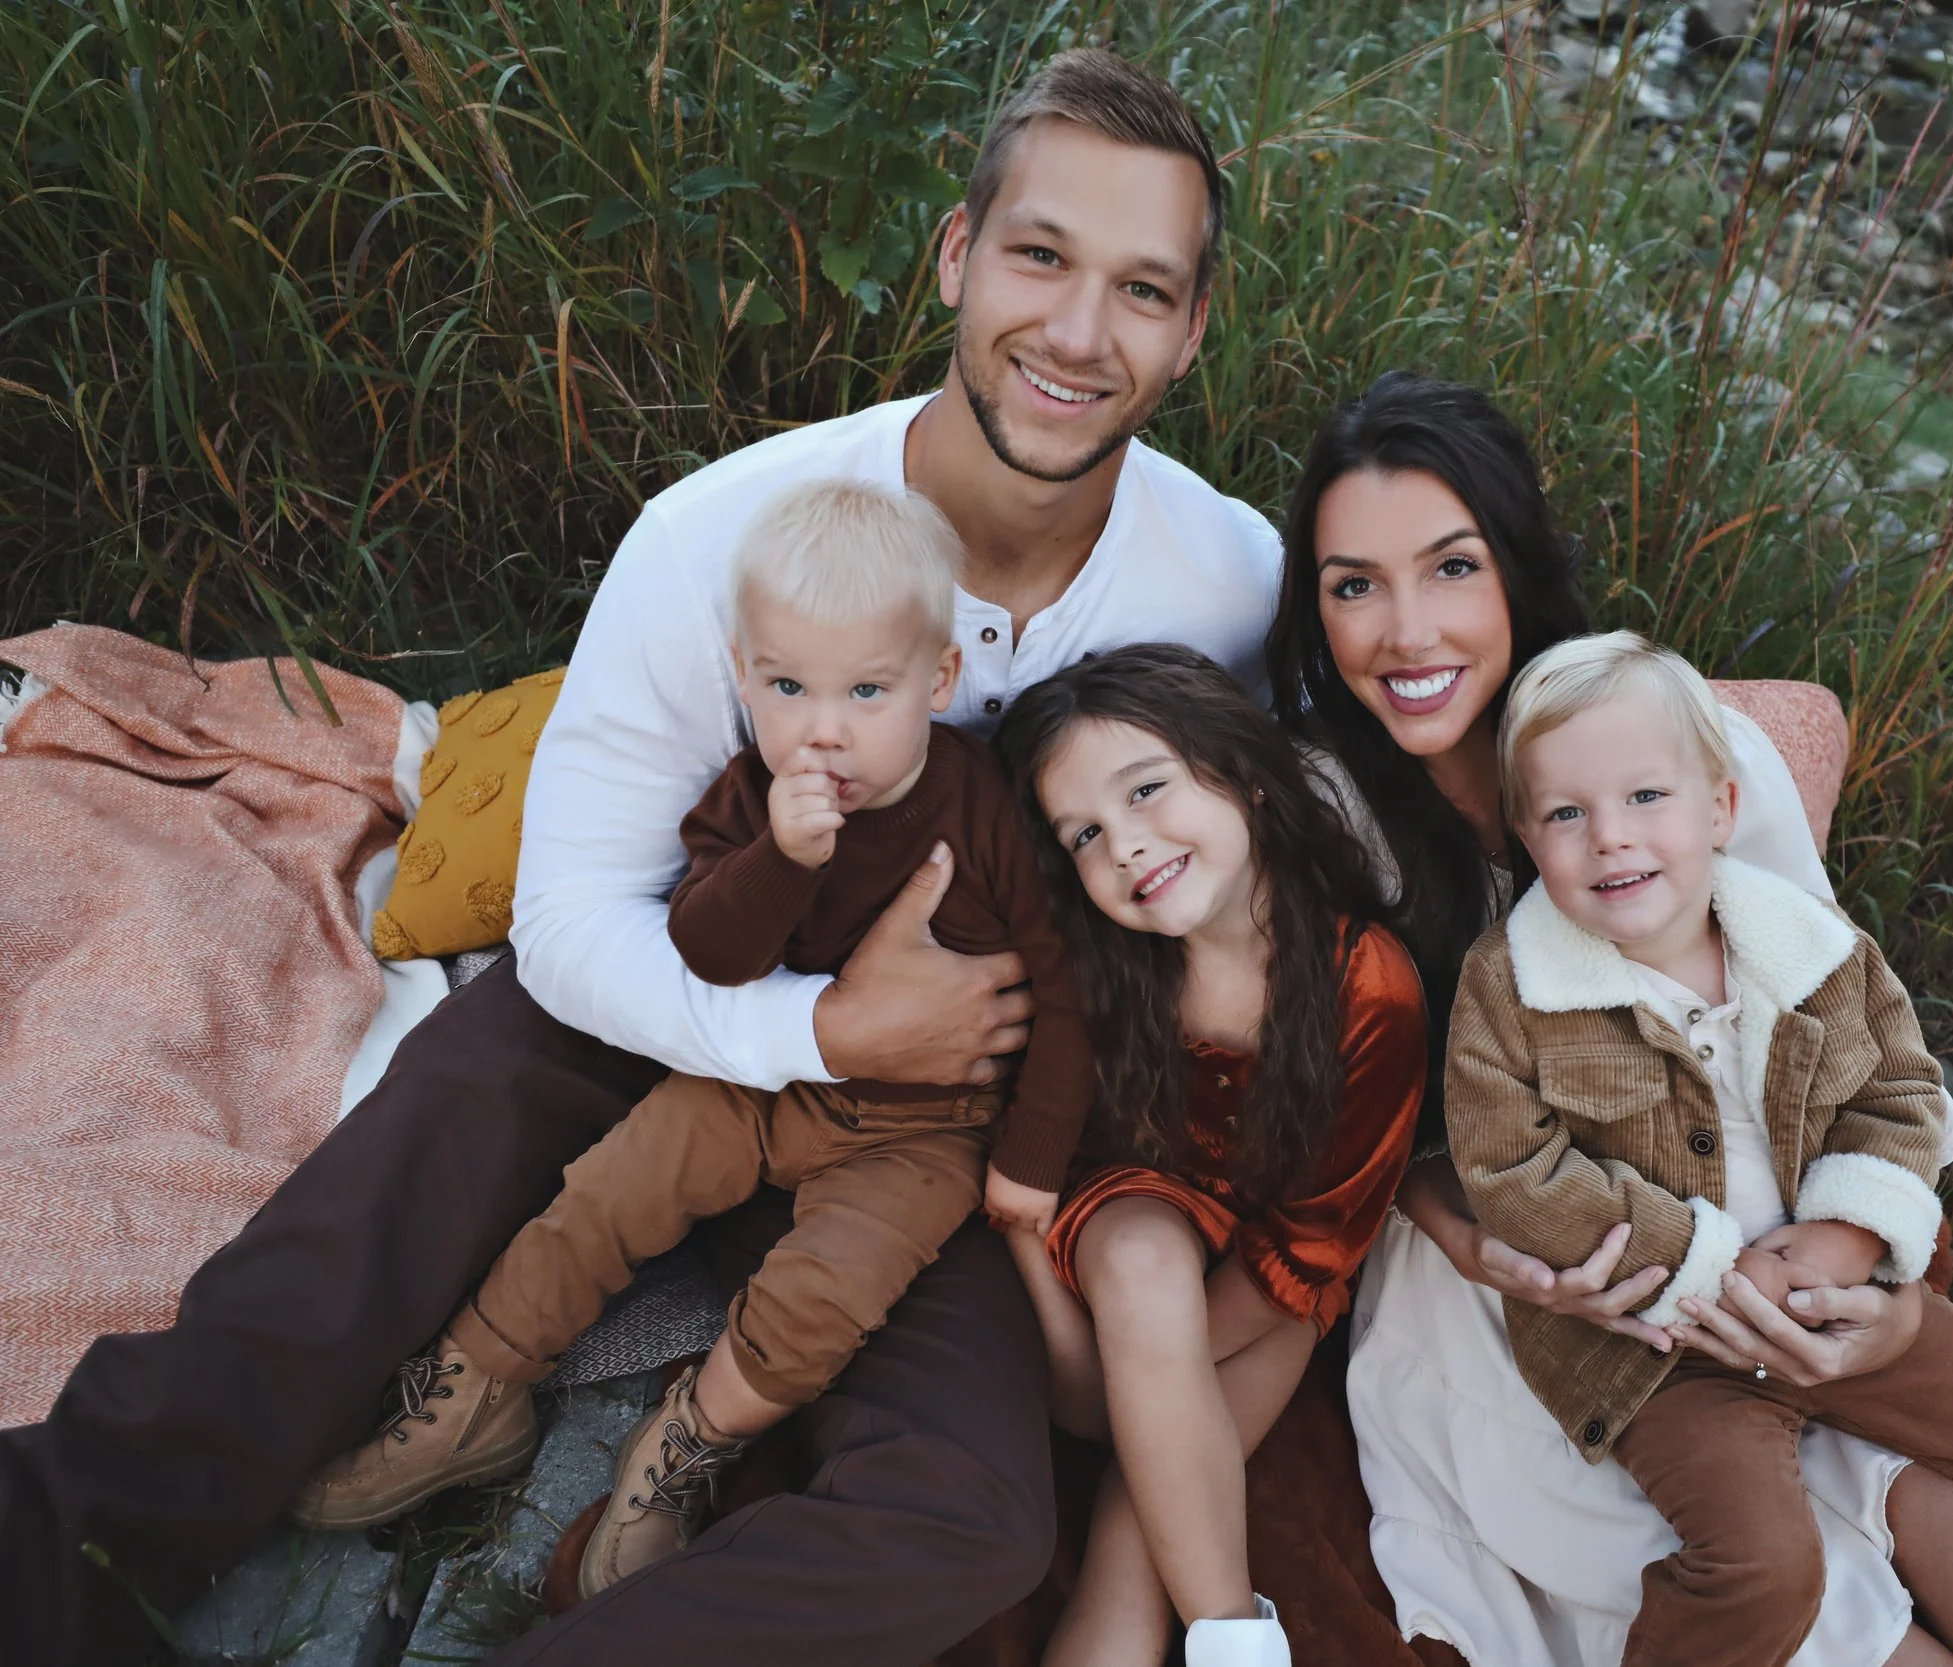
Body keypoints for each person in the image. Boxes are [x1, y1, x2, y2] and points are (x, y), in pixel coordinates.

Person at [1, 49, 1276, 1667]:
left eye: (1143, 288)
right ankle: (69, 1539)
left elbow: (1290, 874)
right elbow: (571, 925)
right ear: (959, 258)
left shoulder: (1233, 582)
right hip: (667, 1008)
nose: (1081, 334)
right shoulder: (719, 535)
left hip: (946, 1129)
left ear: (1192, 327)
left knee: (972, 1516)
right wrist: (817, 1031)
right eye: (1042, 256)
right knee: (392, 1185)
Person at [1262, 372, 1953, 1667]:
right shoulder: (1321, 811)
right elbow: (1335, 1116)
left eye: (1450, 566)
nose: (1406, 629)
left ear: (1514, 562)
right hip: (1542, 1292)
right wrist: (1467, 1232)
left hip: (1777, 1235)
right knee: (1798, 1593)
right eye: (1353, 584)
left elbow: (1846, 1036)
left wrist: (1862, 1270)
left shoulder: (1685, 753)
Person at [289, 481, 1094, 1598]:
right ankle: (477, 1386)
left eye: (868, 689)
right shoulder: (755, 797)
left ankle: (679, 1444)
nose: (825, 727)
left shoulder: (986, 809)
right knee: (606, 1188)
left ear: (939, 679)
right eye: (788, 686)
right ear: (743, 674)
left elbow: (1064, 987)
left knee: (827, 1292)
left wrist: (1031, 1158)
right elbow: (709, 948)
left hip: (921, 1127)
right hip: (753, 1078)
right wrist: (782, 859)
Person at [1444, 631, 1953, 1666]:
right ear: (1526, 836)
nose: (1610, 839)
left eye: (1645, 798)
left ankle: (1946, 1562)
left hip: (1824, 1294)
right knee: (1761, 1567)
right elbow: (1512, 1173)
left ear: (1718, 807)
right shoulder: (1512, 987)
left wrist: (1844, 1241)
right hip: (1663, 1345)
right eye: (1566, 813)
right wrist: (1710, 1273)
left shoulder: (1806, 945)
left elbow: (1900, 1091)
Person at [992, 646, 1425, 1667]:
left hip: (1275, 1279)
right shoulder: (1093, 973)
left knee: (1140, 1524)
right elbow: (1028, 1177)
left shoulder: (1370, 985)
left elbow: (1311, 1249)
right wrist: (1102, 1361)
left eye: (1147, 791)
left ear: (1251, 775)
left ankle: (1227, 1641)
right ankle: (1228, 1617)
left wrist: (1162, 1380)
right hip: (1112, 1235)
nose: (1127, 845)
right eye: (1085, 834)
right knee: (1144, 1268)